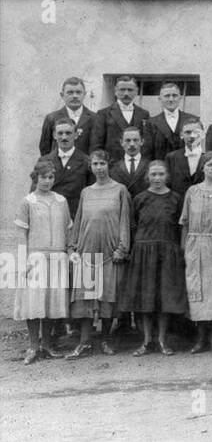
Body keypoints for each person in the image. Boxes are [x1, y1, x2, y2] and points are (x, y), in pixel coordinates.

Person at [67, 149, 132, 357]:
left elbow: (125, 222)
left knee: (107, 297)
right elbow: (78, 221)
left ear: (108, 165)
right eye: (95, 164)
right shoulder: (86, 192)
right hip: (87, 250)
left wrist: (122, 248)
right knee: (86, 295)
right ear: (91, 167)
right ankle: (85, 342)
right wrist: (73, 246)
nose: (99, 168)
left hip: (110, 252)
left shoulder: (120, 190)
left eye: (102, 164)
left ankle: (105, 340)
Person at [119, 160, 186, 356]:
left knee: (164, 298)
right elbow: (132, 226)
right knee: (145, 298)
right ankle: (147, 341)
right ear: (147, 177)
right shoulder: (139, 198)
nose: (157, 178)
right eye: (153, 175)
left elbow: (180, 226)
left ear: (167, 176)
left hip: (167, 252)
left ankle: (162, 340)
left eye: (161, 174)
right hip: (143, 253)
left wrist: (179, 250)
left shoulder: (175, 198)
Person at [14, 159, 71, 364]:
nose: (47, 181)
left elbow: (68, 230)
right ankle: (33, 347)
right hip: (35, 258)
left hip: (56, 257)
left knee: (50, 303)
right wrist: (23, 262)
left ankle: (47, 346)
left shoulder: (61, 201)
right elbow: (22, 234)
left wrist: (68, 251)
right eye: (43, 177)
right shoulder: (27, 202)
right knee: (33, 302)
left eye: (50, 177)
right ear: (35, 178)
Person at [179, 151, 212, 353]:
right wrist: (185, 248)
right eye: (209, 164)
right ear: (202, 167)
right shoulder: (192, 192)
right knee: (198, 292)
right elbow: (184, 222)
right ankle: (200, 338)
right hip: (196, 246)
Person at [89, 75, 150, 163]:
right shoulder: (103, 114)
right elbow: (96, 145)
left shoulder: (144, 114)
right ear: (115, 91)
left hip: (137, 166)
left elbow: (146, 144)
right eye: (122, 90)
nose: (126, 93)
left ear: (136, 92)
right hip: (112, 165)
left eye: (130, 90)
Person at [43, 118, 92, 217]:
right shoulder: (44, 160)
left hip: (76, 215)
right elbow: (36, 193)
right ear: (54, 135)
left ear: (76, 135)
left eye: (68, 133)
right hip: (50, 214)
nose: (64, 137)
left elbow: (91, 195)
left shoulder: (87, 162)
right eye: (60, 133)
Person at [38, 75, 94, 155]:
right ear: (62, 95)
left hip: (85, 166)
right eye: (70, 92)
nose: (75, 96)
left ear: (84, 94)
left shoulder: (95, 118)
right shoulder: (51, 118)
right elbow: (45, 148)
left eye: (78, 92)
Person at [143, 81, 198, 161]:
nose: (171, 99)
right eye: (167, 96)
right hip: (162, 169)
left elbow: (196, 148)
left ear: (180, 98)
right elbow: (147, 153)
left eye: (174, 95)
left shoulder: (193, 120)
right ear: (160, 99)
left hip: (186, 169)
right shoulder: (151, 123)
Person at [165, 119, 207, 193]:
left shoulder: (210, 157)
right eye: (188, 132)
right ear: (181, 135)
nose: (192, 136)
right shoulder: (171, 157)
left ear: (203, 134)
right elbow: (167, 185)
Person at [109, 127, 149, 196]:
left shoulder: (149, 166)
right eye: (128, 140)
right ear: (121, 142)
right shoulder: (113, 168)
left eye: (135, 140)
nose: (132, 144)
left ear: (142, 142)